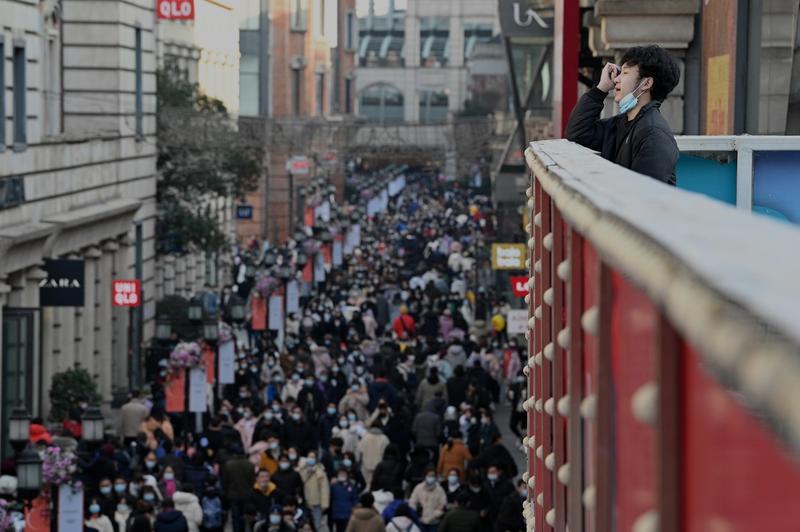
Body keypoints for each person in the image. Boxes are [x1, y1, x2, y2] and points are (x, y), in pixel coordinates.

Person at [565, 44, 681, 184]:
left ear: (646, 83)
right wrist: (601, 88)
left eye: (625, 73)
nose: (616, 79)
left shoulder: (654, 134)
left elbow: (645, 193)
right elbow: (577, 133)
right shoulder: (619, 125)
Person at [223, 445, 256, 532]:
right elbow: (252, 481)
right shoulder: (250, 465)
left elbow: (225, 481)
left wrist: (226, 492)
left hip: (233, 494)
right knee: (244, 517)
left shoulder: (229, 464)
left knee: (235, 517)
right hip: (246, 494)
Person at [299, 452, 330, 531]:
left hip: (316, 502)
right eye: (309, 457)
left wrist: (324, 504)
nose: (310, 459)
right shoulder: (301, 470)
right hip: (304, 501)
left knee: (317, 524)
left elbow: (324, 489)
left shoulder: (320, 471)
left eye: (313, 457)